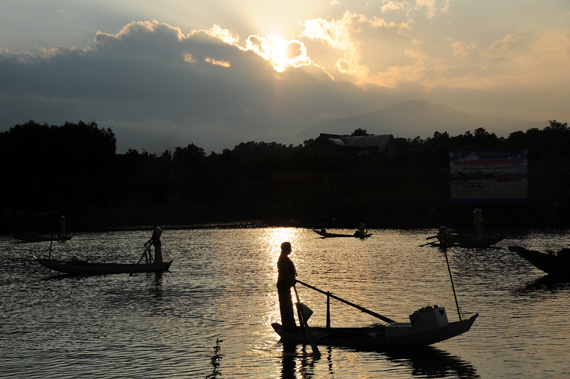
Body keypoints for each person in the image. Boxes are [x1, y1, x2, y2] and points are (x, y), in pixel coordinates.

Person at [277, 241, 297, 331]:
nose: (291, 250)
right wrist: (290, 278)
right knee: (286, 306)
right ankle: (289, 327)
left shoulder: (284, 259)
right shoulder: (283, 260)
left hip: (285, 286)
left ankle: (290, 326)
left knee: (288, 306)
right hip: (283, 286)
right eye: (290, 248)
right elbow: (285, 274)